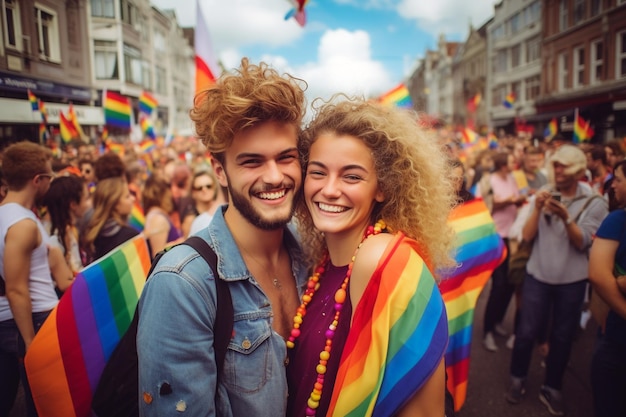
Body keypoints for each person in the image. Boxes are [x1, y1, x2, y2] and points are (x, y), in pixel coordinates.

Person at [137, 58, 308, 416]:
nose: (274, 176)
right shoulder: (182, 284)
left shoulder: (313, 252)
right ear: (220, 171)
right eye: (252, 162)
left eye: (285, 157)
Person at [287, 96, 454, 417]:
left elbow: (426, 412)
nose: (330, 189)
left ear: (383, 187)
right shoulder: (322, 260)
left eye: (351, 176)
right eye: (318, 172)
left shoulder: (380, 258)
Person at [506, 145, 608, 416]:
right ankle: (517, 378)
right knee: (526, 332)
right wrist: (537, 209)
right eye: (556, 165)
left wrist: (565, 217)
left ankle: (552, 388)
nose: (558, 170)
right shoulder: (543, 193)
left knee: (562, 337)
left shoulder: (594, 202)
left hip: (572, 281)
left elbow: (583, 242)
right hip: (537, 275)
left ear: (576, 170)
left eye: (563, 165)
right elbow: (526, 237)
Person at [0, 141, 73, 417]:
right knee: (46, 405)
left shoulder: (12, 216)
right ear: (37, 180)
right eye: (49, 177)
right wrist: (31, 344)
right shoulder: (23, 224)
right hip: (36, 319)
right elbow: (16, 288)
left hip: (20, 319)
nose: (50, 184)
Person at [588, 159, 626, 417]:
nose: (613, 185)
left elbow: (601, 276)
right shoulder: (617, 220)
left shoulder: (618, 219)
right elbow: (600, 276)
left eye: (619, 179)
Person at [480, 151, 525, 352]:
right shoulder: (488, 180)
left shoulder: (513, 178)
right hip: (495, 236)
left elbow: (516, 196)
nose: (513, 162)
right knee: (498, 285)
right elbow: (487, 205)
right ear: (501, 164)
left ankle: (498, 321)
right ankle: (487, 331)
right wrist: (509, 201)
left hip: (512, 236)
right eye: (510, 161)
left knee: (509, 284)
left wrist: (519, 199)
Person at [42, 175, 91, 280]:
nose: (88, 204)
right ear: (73, 204)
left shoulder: (68, 229)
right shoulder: (57, 236)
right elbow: (69, 277)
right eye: (86, 199)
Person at [82, 177, 139, 262]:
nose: (133, 198)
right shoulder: (129, 237)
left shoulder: (91, 233)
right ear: (115, 204)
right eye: (127, 196)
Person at [141, 175, 183, 258]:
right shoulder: (158, 219)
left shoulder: (156, 214)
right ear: (163, 193)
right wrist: (182, 241)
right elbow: (157, 253)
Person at [182, 166, 225, 236]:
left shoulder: (221, 209)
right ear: (193, 192)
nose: (204, 190)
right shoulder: (190, 219)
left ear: (214, 188)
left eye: (208, 186)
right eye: (199, 188)